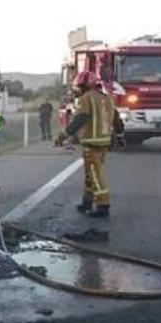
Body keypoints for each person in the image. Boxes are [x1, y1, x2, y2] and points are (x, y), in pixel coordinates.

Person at [55, 71, 116, 218]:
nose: (77, 90)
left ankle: (103, 205)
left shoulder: (86, 98)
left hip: (92, 141)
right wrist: (119, 135)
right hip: (104, 141)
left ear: (84, 86)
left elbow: (80, 119)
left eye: (78, 87)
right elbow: (116, 117)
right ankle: (87, 202)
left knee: (94, 174)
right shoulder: (106, 98)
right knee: (90, 173)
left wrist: (63, 135)